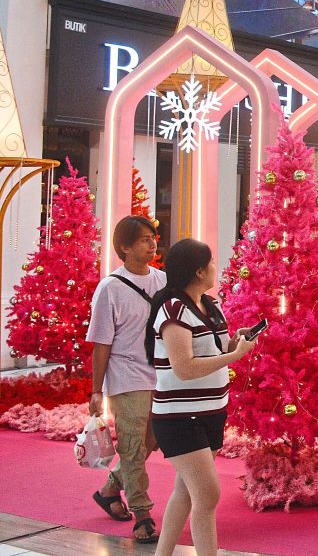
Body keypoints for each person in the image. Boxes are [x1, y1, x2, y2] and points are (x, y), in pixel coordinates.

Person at [146, 239, 257, 556]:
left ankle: (162, 553)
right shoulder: (173, 310)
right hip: (180, 417)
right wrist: (234, 357)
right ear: (197, 271)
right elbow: (184, 368)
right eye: (210, 263)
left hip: (211, 411)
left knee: (186, 491)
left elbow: (212, 351)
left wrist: (235, 341)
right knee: (207, 495)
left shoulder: (211, 306)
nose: (215, 268)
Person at [85, 216, 164, 544]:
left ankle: (109, 489)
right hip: (126, 377)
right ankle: (142, 514)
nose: (152, 244)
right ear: (124, 247)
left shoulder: (163, 281)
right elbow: (101, 343)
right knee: (132, 446)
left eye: (153, 237)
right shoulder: (110, 288)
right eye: (144, 239)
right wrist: (95, 390)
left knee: (153, 439)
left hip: (160, 375)